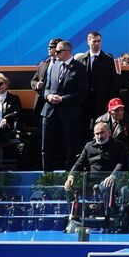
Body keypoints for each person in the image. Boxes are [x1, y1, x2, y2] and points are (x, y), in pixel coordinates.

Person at [40, 39, 88, 171]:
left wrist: (62, 99)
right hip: (50, 110)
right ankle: (47, 176)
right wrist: (49, 96)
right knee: (46, 146)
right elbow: (45, 88)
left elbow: (82, 92)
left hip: (69, 112)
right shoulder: (53, 66)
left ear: (67, 52)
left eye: (58, 51)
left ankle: (69, 177)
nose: (55, 54)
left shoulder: (79, 68)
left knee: (69, 146)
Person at [76, 31, 121, 125]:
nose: (97, 43)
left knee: (101, 126)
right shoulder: (80, 60)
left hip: (102, 102)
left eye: (99, 41)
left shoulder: (108, 59)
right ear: (88, 42)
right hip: (85, 102)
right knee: (84, 127)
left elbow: (113, 82)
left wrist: (110, 102)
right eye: (94, 41)